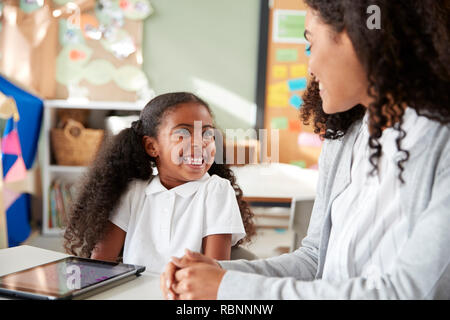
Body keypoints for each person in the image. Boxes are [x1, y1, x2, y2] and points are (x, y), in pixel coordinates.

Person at [161, 0, 450, 299]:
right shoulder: (345, 139)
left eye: (311, 43)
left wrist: (227, 287)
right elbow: (314, 260)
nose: (309, 64)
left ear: (358, 37)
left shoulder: (440, 145)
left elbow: (408, 292)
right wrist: (217, 273)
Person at [63, 92, 256, 273]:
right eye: (183, 134)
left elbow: (214, 274)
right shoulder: (133, 191)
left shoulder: (217, 190)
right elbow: (100, 261)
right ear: (152, 146)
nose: (200, 143)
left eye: (207, 134)